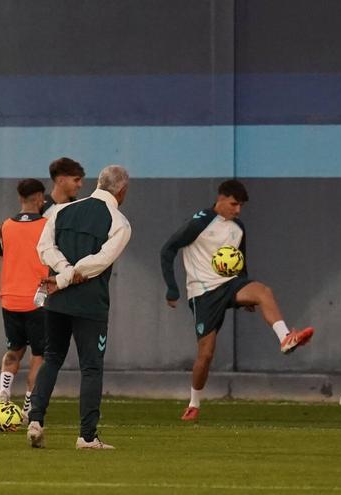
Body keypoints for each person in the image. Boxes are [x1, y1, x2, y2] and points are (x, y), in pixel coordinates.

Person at [160, 180, 315, 422]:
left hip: (230, 285)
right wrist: (172, 288)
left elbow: (240, 262)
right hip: (203, 293)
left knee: (263, 292)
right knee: (206, 354)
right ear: (220, 199)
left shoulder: (238, 228)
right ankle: (193, 403)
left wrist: (247, 292)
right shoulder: (200, 222)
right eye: (234, 204)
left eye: (241, 205)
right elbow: (168, 249)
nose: (238, 210)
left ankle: (285, 338)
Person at [26, 165, 133, 450]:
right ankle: (87, 436)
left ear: (98, 183)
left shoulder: (62, 211)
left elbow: (44, 247)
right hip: (90, 304)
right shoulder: (119, 222)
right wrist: (65, 278)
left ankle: (36, 420)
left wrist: (60, 275)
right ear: (122, 191)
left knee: (51, 358)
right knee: (91, 368)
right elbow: (98, 263)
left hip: (57, 301)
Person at [0, 179, 49, 420]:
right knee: (39, 355)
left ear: (20, 199)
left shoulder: (5, 227)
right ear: (38, 198)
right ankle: (28, 406)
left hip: (10, 301)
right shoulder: (47, 226)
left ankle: (3, 397)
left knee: (14, 350)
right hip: (38, 301)